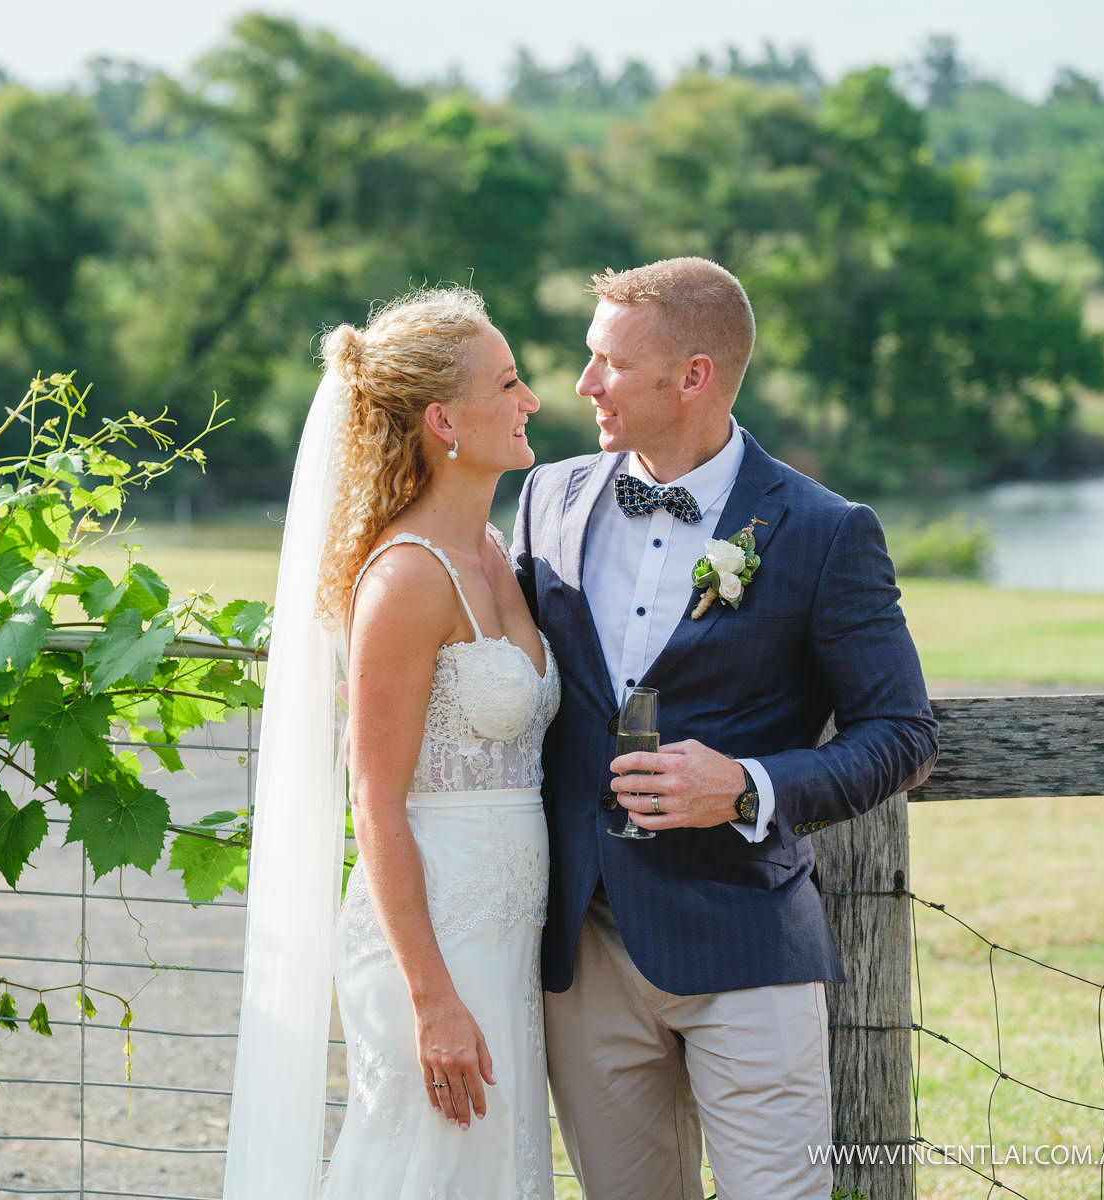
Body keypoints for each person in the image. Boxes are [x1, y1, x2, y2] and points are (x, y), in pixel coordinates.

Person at [511, 256, 940, 1199]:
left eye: (610, 364)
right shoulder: (549, 498)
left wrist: (748, 785)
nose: (583, 385)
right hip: (582, 950)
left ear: (694, 375)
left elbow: (901, 733)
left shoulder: (826, 532)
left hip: (745, 943)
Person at [224, 287, 555, 1199]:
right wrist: (432, 998)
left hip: (507, 933)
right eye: (509, 382)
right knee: (428, 1170)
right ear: (444, 420)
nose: (531, 399)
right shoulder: (408, 576)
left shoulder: (492, 549)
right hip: (435, 936)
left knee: (494, 1171)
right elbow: (374, 796)